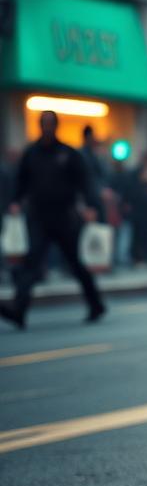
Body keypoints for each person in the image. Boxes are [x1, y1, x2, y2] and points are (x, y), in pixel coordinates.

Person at [1, 111, 105, 328]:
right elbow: (21, 181)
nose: (47, 128)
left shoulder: (68, 153)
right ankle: (19, 311)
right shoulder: (31, 153)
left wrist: (90, 206)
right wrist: (15, 202)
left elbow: (84, 182)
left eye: (50, 124)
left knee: (76, 262)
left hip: (65, 217)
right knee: (31, 263)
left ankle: (96, 304)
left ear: (55, 126)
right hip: (39, 216)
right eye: (43, 124)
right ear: (39, 126)